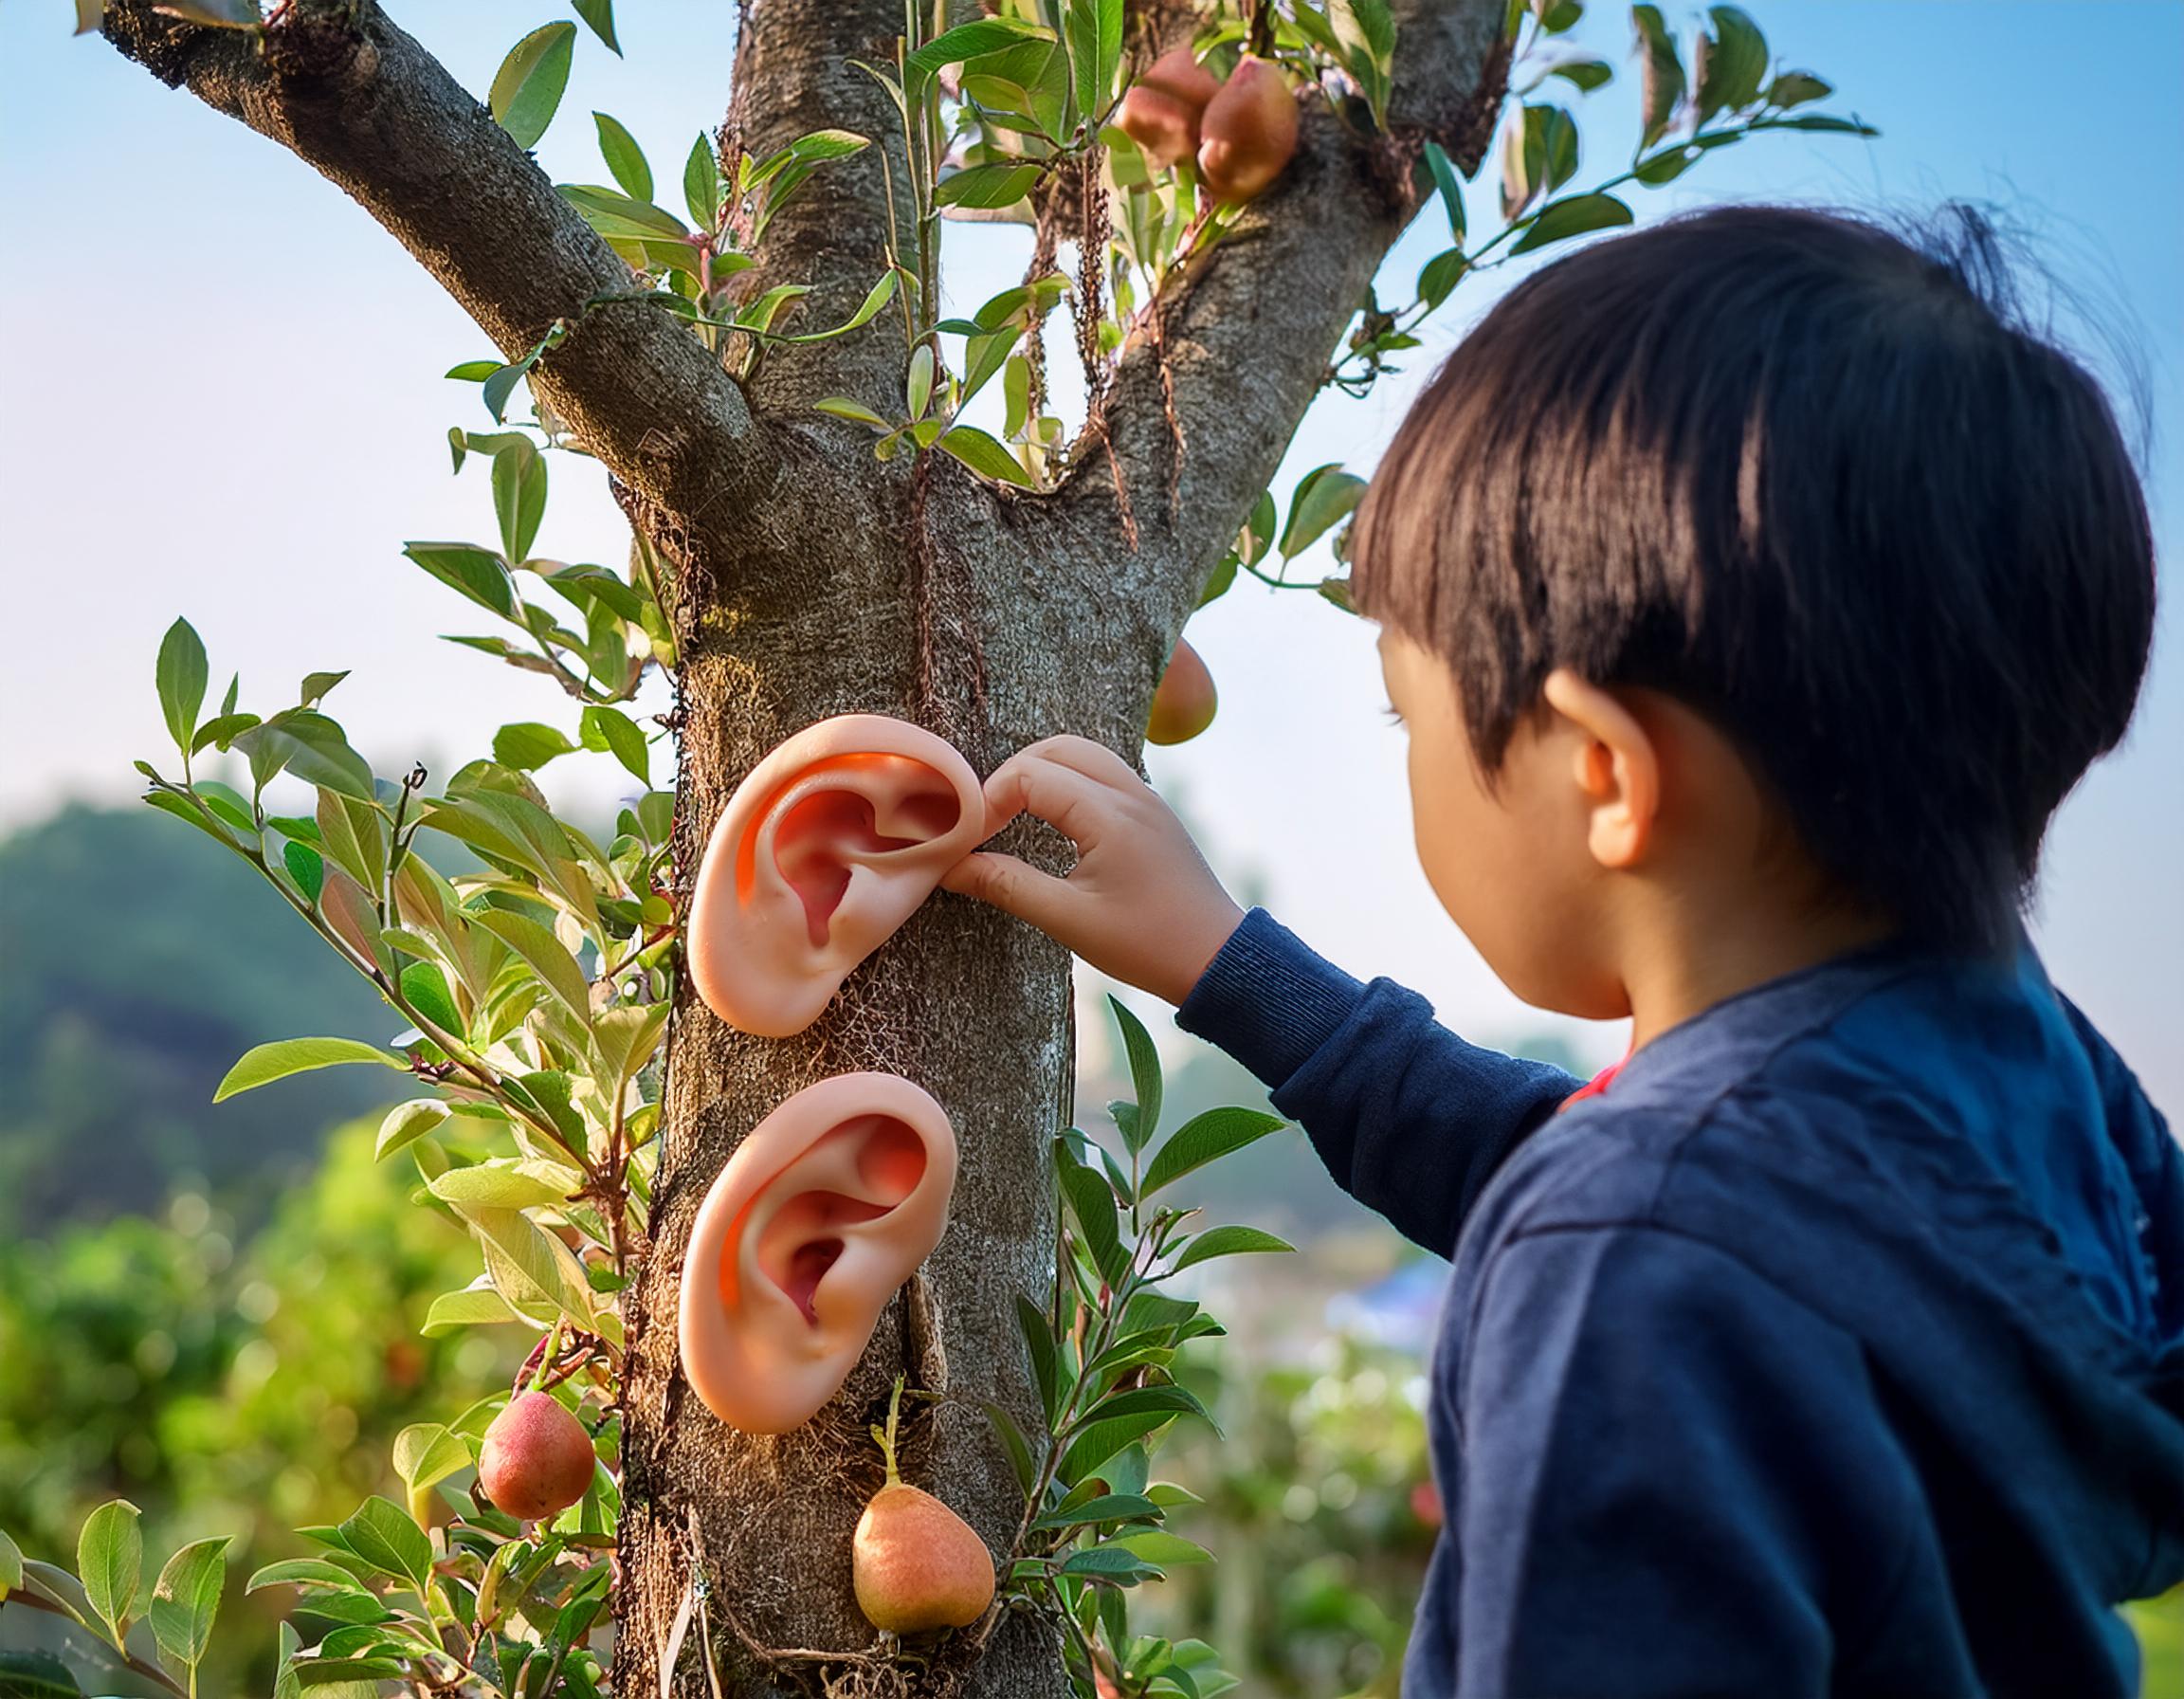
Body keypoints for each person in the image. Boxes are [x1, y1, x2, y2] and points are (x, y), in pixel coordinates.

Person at [941, 205, 2184, 1696]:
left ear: (1601, 772)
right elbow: (1631, 1178)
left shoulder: (1639, 1255)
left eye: (1413, 715)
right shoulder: (2037, 1092)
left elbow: (1633, 1208)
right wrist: (1234, 969)